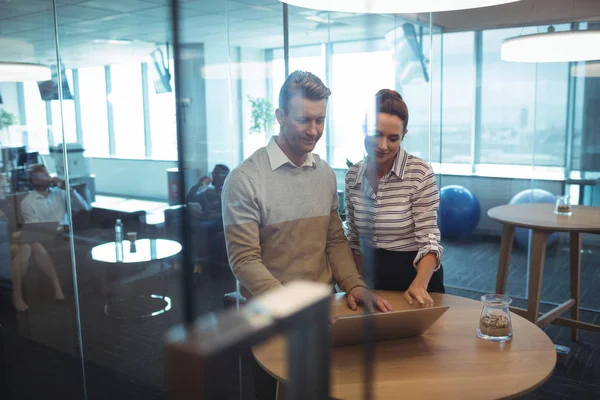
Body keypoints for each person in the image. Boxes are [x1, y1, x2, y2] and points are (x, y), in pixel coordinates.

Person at [222, 71, 392, 400]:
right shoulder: (245, 179)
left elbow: (333, 241)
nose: (314, 130)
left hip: (325, 311)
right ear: (281, 116)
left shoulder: (325, 173)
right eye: (304, 120)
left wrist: (354, 283)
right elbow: (244, 260)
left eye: (320, 120)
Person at [345, 89, 445, 308]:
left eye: (393, 138)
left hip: (415, 276)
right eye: (376, 134)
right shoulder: (353, 176)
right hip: (372, 278)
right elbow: (354, 241)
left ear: (404, 134)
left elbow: (429, 240)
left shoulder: (419, 172)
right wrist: (359, 284)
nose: (383, 146)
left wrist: (419, 284)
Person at [13, 163, 91, 310]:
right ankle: (57, 290)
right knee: (31, 242)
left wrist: (69, 189)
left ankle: (56, 290)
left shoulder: (60, 193)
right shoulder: (28, 202)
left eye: (48, 175)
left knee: (28, 243)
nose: (50, 178)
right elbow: (36, 228)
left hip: (65, 235)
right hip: (45, 237)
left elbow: (85, 208)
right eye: (45, 176)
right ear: (35, 181)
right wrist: (57, 228)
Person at [185, 164, 230, 276]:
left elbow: (227, 213)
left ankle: (200, 261)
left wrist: (207, 216)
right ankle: (192, 260)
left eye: (217, 174)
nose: (214, 176)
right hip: (206, 220)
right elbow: (189, 199)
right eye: (213, 173)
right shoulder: (208, 191)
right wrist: (198, 185)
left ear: (225, 176)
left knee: (202, 227)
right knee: (187, 224)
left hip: (220, 222)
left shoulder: (228, 191)